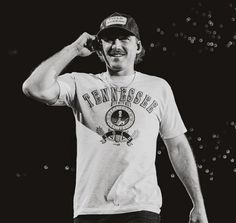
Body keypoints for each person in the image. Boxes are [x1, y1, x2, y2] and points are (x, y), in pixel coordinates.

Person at [22, 12, 208, 223]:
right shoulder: (79, 83)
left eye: (124, 39)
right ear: (99, 47)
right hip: (90, 210)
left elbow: (178, 147)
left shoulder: (159, 87)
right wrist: (74, 48)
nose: (116, 45)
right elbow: (33, 88)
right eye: (109, 40)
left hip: (140, 207)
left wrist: (198, 205)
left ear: (137, 46)